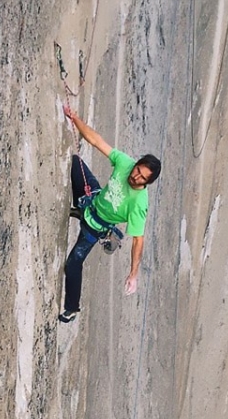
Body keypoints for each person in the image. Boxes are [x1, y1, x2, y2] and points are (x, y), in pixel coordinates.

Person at [59, 105, 161, 323]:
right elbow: (97, 141)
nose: (135, 176)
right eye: (137, 170)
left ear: (148, 183)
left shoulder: (139, 204)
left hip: (95, 227)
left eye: (142, 177)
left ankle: (72, 307)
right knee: (76, 164)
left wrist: (133, 274)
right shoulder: (125, 163)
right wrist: (75, 119)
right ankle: (79, 208)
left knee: (73, 263)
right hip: (93, 199)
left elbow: (138, 241)